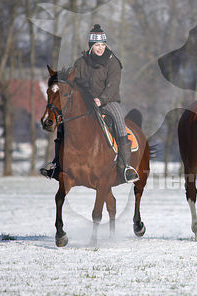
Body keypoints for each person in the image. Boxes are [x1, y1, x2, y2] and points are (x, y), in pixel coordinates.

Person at [40, 24, 139, 183]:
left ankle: (125, 167)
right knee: (63, 125)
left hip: (109, 101)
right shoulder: (81, 62)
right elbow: (72, 81)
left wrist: (101, 99)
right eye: (97, 45)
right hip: (86, 103)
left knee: (120, 123)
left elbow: (112, 86)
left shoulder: (113, 62)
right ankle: (56, 164)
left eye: (102, 45)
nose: (100, 48)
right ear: (91, 46)